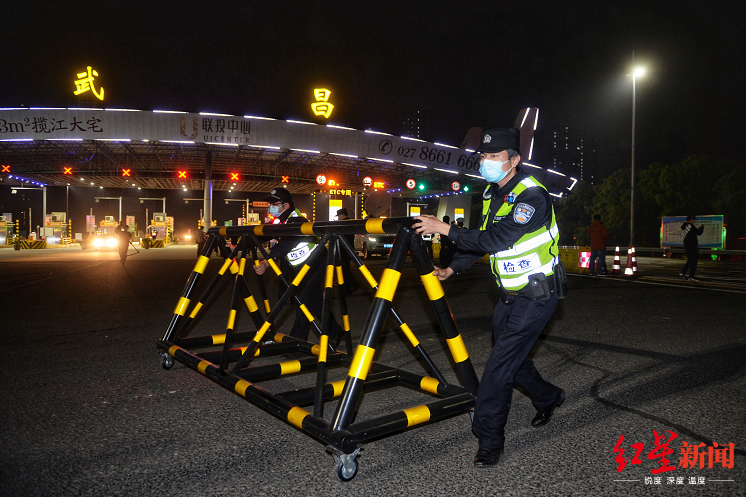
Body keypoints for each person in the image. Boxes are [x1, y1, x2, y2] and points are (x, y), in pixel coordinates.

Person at [413, 127, 565, 467]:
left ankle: (489, 439)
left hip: (537, 294)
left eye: (494, 157)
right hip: (509, 295)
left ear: (514, 160)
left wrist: (444, 229)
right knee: (514, 361)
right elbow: (481, 238)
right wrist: (453, 269)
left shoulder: (532, 195)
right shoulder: (489, 193)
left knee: (497, 369)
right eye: (483, 156)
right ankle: (549, 396)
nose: (486, 162)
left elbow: (498, 238)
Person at [253, 188, 344, 347]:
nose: (270, 207)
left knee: (302, 302)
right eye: (269, 204)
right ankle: (336, 332)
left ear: (285, 205)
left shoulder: (297, 220)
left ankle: (297, 343)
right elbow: (261, 235)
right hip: (303, 267)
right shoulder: (280, 220)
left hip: (315, 264)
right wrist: (238, 245)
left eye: (274, 204)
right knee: (314, 303)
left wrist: (267, 262)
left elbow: (287, 243)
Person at [335, 208, 360, 294]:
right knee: (345, 269)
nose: (339, 218)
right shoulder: (350, 222)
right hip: (348, 248)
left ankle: (348, 287)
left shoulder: (343, 224)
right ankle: (352, 284)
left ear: (342, 215)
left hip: (344, 249)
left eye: (339, 216)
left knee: (344, 269)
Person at [680, 215, 704, 281]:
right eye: (693, 219)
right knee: (694, 261)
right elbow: (699, 233)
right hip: (692, 246)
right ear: (691, 219)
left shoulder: (685, 226)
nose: (694, 221)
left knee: (690, 260)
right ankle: (691, 277)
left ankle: (683, 272)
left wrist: (697, 229)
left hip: (687, 245)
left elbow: (693, 232)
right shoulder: (690, 226)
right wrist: (702, 228)